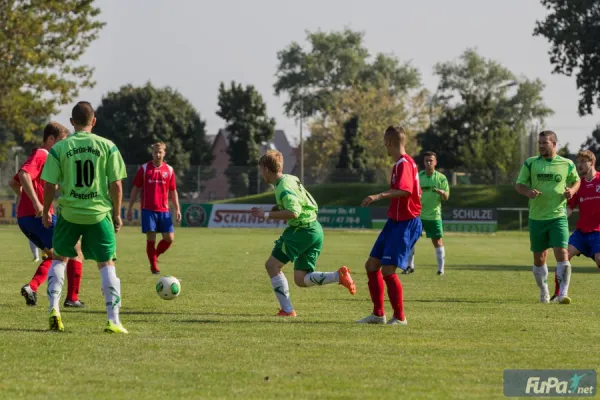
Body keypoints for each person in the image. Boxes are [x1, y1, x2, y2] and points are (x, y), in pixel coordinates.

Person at [41, 101, 128, 333]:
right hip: (99, 214)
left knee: (59, 258)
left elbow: (49, 184)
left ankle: (54, 310)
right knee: (106, 263)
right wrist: (117, 214)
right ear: (94, 121)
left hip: (69, 213)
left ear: (72, 122)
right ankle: (113, 320)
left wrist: (45, 211)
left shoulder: (60, 148)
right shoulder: (108, 146)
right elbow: (117, 185)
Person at [250, 149, 356, 317]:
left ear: (267, 170)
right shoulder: (290, 178)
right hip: (314, 229)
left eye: (261, 169)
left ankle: (287, 310)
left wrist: (267, 215)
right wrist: (279, 208)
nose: (260, 172)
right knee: (300, 279)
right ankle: (338, 276)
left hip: (301, 230)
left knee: (272, 265)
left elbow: (294, 212)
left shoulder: (282, 188)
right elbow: (300, 200)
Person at [7, 122, 85, 308]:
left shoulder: (47, 157)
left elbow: (13, 182)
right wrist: (36, 203)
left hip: (26, 218)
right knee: (75, 247)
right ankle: (72, 298)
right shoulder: (42, 154)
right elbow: (24, 175)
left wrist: (28, 200)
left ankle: (31, 287)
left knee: (55, 256)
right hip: (38, 216)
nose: (63, 145)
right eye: (60, 141)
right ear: (50, 139)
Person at [357, 126, 422, 325]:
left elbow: (405, 191)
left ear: (389, 143)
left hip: (406, 223)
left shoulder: (404, 163)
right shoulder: (400, 164)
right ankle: (378, 314)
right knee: (372, 265)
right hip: (394, 222)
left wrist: (379, 195)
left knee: (388, 270)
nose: (384, 145)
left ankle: (400, 317)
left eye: (385, 141)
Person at [515, 130, 580, 304]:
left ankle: (562, 294)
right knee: (539, 258)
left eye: (545, 143)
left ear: (554, 144)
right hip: (537, 217)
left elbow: (577, 180)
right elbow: (519, 185)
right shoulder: (531, 163)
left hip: (558, 216)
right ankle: (544, 290)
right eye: (540, 143)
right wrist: (528, 192)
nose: (541, 146)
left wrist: (572, 191)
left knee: (563, 252)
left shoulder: (567, 164)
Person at [550, 150, 600, 301]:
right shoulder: (579, 185)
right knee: (563, 256)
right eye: (578, 162)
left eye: (583, 162)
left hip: (598, 232)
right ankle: (558, 294)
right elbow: (570, 208)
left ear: (592, 162)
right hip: (581, 233)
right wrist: (560, 219)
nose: (579, 165)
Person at [127, 142, 181, 274]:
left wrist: (177, 209)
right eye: (155, 152)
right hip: (148, 210)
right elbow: (135, 189)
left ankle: (154, 257)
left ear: (164, 153)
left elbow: (173, 191)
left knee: (169, 238)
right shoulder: (144, 169)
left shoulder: (169, 170)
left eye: (160, 152)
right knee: (151, 238)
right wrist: (130, 208)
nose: (157, 154)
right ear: (152, 153)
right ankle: (154, 266)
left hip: (164, 210)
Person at [406, 151, 449, 275]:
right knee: (411, 240)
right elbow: (411, 193)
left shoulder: (441, 178)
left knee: (437, 241)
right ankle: (410, 266)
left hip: (434, 215)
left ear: (435, 162)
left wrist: (442, 193)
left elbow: (446, 197)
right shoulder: (418, 177)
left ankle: (441, 270)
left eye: (431, 160)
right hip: (418, 215)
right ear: (424, 162)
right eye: (426, 160)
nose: (429, 162)